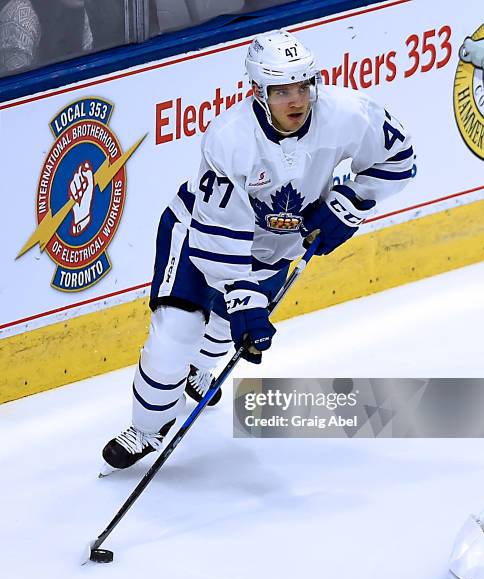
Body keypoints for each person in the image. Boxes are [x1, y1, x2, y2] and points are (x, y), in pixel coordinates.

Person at [101, 29, 414, 474]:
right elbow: (220, 238)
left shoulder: (348, 115)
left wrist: (349, 205)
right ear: (258, 91)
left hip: (276, 245)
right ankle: (147, 429)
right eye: (282, 90)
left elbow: (399, 157)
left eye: (303, 86)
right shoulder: (230, 138)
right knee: (175, 333)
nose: (296, 100)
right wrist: (243, 296)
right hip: (198, 235)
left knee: (227, 329)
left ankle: (201, 371)